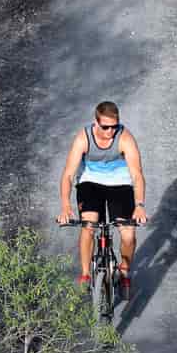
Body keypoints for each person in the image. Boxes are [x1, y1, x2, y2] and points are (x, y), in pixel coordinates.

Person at [57, 101, 148, 293]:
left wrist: (139, 205)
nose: (110, 132)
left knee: (128, 234)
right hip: (90, 184)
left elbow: (137, 175)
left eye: (114, 127)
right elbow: (67, 175)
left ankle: (124, 270)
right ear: (95, 123)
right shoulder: (83, 138)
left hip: (120, 185)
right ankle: (85, 274)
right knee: (89, 225)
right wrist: (65, 206)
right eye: (105, 127)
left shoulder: (125, 138)